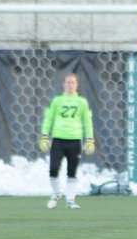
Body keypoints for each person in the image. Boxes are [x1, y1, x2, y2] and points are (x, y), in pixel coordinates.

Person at [39, 73, 95, 209]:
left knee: (72, 171)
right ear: (63, 84)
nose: (70, 85)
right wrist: (45, 136)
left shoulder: (82, 102)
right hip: (58, 139)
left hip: (75, 140)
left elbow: (87, 122)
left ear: (77, 85)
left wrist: (89, 140)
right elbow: (49, 118)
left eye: (73, 82)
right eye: (68, 82)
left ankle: (70, 200)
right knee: (53, 169)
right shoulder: (57, 100)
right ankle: (56, 193)